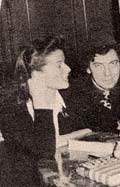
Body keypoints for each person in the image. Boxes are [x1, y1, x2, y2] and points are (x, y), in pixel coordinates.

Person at [0, 36, 84, 187]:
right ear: (35, 73)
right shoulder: (12, 109)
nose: (68, 69)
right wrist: (41, 105)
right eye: (59, 65)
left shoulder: (69, 97)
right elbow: (44, 156)